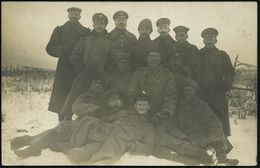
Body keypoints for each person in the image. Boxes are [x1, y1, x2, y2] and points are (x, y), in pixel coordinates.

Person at [10, 75, 107, 158]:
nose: (98, 85)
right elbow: (75, 108)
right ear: (90, 85)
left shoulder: (105, 98)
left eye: (100, 83)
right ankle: (31, 144)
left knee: (60, 129)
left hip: (91, 127)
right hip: (79, 124)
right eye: (95, 83)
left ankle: (32, 145)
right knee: (56, 131)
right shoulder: (84, 96)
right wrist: (92, 108)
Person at [164, 78, 238, 166]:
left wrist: (215, 136)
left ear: (195, 91)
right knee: (194, 151)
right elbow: (171, 124)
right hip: (186, 135)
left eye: (190, 90)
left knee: (217, 136)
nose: (187, 93)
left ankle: (221, 157)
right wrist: (181, 136)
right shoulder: (178, 105)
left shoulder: (201, 104)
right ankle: (208, 159)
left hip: (201, 134)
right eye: (185, 90)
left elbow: (213, 120)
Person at [59, 13, 113, 120]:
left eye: (102, 24)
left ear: (105, 26)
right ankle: (65, 119)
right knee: (73, 97)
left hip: (101, 77)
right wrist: (81, 70)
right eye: (97, 23)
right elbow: (75, 56)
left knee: (101, 99)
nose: (99, 26)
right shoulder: (84, 40)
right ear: (93, 24)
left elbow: (112, 60)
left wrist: (105, 72)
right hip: (84, 74)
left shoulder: (109, 42)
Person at [46, 7, 91, 121]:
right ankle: (62, 124)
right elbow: (50, 48)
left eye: (76, 14)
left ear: (80, 16)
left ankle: (77, 125)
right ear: (68, 15)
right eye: (72, 14)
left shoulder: (86, 31)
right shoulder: (59, 30)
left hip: (79, 69)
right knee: (62, 97)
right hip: (64, 68)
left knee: (79, 96)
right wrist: (63, 50)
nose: (74, 16)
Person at [85, 92, 156, 164]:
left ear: (149, 107)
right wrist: (101, 124)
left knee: (101, 160)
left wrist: (133, 145)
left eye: (144, 105)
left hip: (120, 146)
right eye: (139, 104)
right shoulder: (126, 114)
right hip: (106, 136)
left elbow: (148, 149)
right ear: (135, 106)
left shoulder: (149, 127)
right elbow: (108, 120)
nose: (141, 107)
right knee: (86, 123)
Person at [197, 28, 236, 137]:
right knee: (203, 118)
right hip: (202, 93)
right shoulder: (198, 55)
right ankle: (204, 145)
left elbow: (230, 73)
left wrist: (224, 85)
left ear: (216, 40)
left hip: (218, 93)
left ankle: (222, 146)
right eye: (207, 37)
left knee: (220, 119)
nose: (209, 39)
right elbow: (191, 72)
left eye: (212, 37)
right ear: (203, 40)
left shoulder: (222, 55)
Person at [128, 43, 178, 118]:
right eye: (151, 56)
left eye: (156, 56)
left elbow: (170, 97)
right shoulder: (139, 74)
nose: (153, 58)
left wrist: (167, 112)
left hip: (160, 114)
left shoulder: (167, 75)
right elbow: (132, 93)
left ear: (160, 59)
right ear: (147, 59)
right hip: (140, 114)